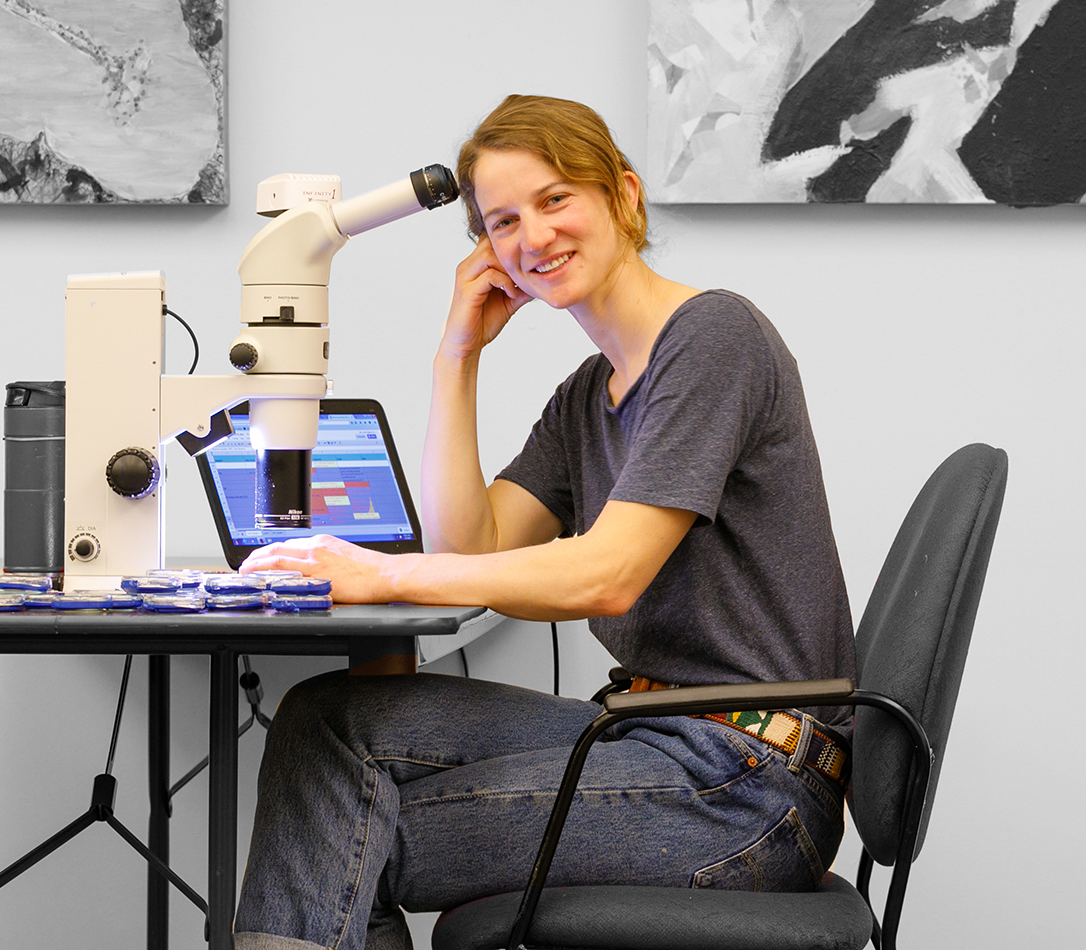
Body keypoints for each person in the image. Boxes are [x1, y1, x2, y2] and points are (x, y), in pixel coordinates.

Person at [231, 94, 856, 950]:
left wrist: (382, 573)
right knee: (329, 720)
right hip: (655, 734)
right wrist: (458, 356)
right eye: (503, 220)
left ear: (624, 197)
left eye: (556, 199)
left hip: (747, 784)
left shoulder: (715, 336)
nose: (533, 236)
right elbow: (469, 548)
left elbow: (608, 572)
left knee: (339, 838)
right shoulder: (587, 396)